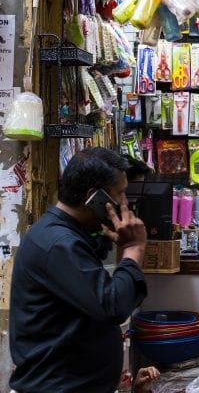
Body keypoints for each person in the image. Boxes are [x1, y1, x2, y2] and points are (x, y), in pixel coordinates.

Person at [10, 147, 149, 393]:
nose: (125, 203)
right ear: (95, 197)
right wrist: (134, 248)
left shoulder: (67, 235)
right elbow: (113, 304)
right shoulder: (59, 243)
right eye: (121, 194)